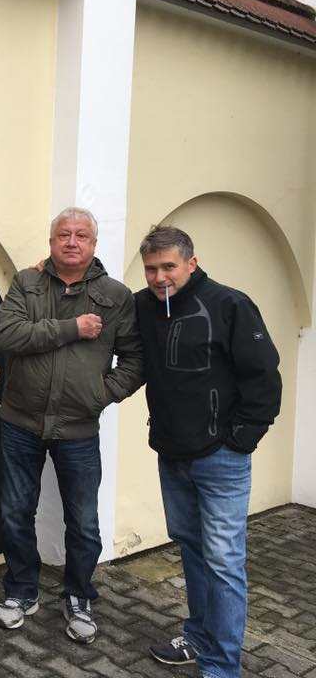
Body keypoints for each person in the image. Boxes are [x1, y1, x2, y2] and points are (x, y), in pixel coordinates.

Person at [136, 226, 281, 678]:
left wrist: (239, 440)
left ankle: (222, 666)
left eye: (169, 267)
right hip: (171, 454)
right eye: (151, 269)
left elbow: (264, 377)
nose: (160, 277)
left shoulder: (230, 304)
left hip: (221, 459)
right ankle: (199, 638)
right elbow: (101, 300)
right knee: (193, 551)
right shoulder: (143, 305)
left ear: (192, 263)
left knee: (223, 562)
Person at [0, 207, 143, 643]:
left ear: (94, 244)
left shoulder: (116, 296)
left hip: (78, 428)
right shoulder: (27, 282)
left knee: (83, 522)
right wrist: (71, 328)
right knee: (15, 512)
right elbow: (9, 336)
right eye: (63, 234)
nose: (71, 241)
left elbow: (135, 359)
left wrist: (102, 394)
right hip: (20, 422)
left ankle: (79, 596)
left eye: (81, 235)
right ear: (51, 241)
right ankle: (21, 591)